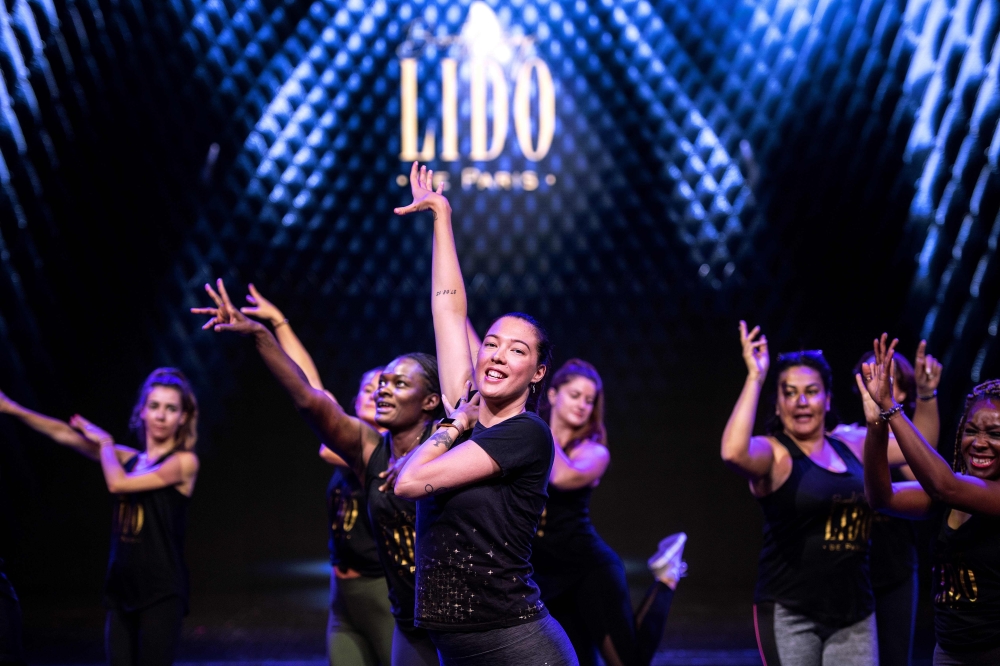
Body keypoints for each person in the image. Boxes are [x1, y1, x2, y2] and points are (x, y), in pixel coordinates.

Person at [192, 281, 442, 665]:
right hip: (357, 597)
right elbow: (311, 394)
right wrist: (262, 332)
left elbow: (314, 394)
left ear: (429, 400)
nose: (381, 391)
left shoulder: (442, 446)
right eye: (376, 385)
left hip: (426, 608)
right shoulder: (367, 447)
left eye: (396, 383)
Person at [392, 162, 577, 665]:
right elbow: (448, 309)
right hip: (459, 644)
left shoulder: (527, 434)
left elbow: (409, 483)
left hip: (518, 644)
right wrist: (441, 219)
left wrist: (454, 426)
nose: (496, 354)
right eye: (491, 343)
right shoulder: (465, 402)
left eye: (517, 351)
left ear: (538, 373)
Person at [238, 285, 395, 666]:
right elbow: (311, 389)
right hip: (342, 594)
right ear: (355, 400)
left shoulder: (389, 449)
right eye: (368, 387)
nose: (377, 391)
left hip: (382, 591)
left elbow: (315, 405)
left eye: (387, 386)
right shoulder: (347, 436)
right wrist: (277, 322)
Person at [0, 369, 200, 666]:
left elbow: (117, 483)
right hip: (121, 587)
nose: (161, 416)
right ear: (142, 411)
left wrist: (105, 443)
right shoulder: (128, 458)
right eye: (154, 406)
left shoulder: (184, 462)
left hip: (161, 592)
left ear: (183, 417)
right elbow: (65, 434)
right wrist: (11, 408)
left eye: (171, 409)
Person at [721, 322, 876, 665]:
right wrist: (755, 377)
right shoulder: (774, 452)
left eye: (811, 391)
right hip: (791, 614)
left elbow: (920, 445)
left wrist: (924, 396)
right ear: (777, 404)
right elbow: (733, 452)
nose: (801, 401)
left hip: (856, 614)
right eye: (789, 393)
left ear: (828, 398)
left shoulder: (851, 444)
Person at [532, 358, 686, 665]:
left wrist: (529, 418)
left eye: (589, 401)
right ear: (553, 395)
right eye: (575, 395)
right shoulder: (531, 437)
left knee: (628, 662)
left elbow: (561, 476)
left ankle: (666, 579)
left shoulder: (594, 451)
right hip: (546, 574)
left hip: (588, 569)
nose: (582, 405)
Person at [862, 334, 1000, 665]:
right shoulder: (948, 495)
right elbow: (882, 497)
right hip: (950, 652)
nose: (979, 443)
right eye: (971, 431)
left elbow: (943, 485)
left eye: (995, 434)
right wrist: (876, 425)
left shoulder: (959, 491)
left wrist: (892, 409)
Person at [832, 343, 942, 666]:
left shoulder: (905, 447)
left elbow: (924, 465)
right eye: (868, 374)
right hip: (850, 569)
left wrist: (927, 395)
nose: (875, 380)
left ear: (902, 391)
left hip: (896, 570)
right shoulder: (844, 437)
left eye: (886, 376)